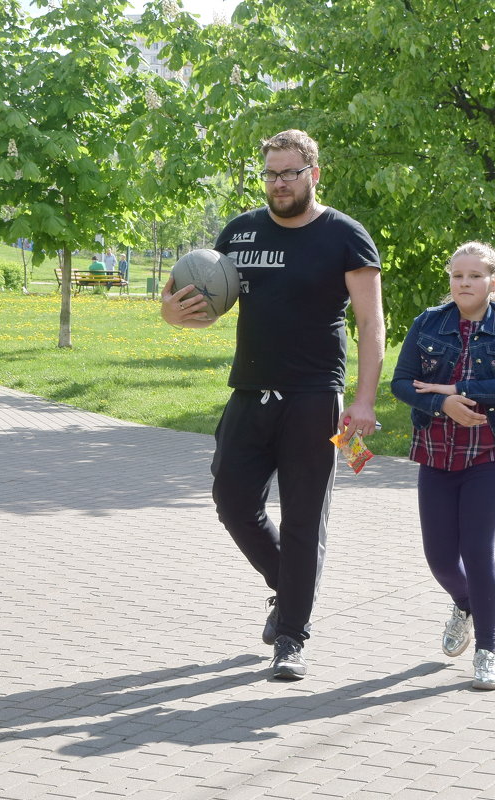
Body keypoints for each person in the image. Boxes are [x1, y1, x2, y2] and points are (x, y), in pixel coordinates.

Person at [161, 129, 385, 680]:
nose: (278, 183)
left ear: (314, 174)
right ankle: (287, 591)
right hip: (250, 392)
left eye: (289, 172)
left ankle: (291, 636)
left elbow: (371, 323)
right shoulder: (238, 233)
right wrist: (172, 314)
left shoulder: (345, 237)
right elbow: (192, 304)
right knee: (231, 500)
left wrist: (362, 400)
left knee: (305, 519)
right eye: (270, 173)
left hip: (314, 399)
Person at [390, 241, 495, 691]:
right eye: (457, 276)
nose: (464, 283)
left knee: (477, 551)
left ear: (494, 281)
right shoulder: (428, 323)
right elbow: (400, 382)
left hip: (491, 448)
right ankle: (465, 603)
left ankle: (487, 651)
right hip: (436, 447)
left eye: (474, 276)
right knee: (439, 558)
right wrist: (442, 403)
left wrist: (453, 386)